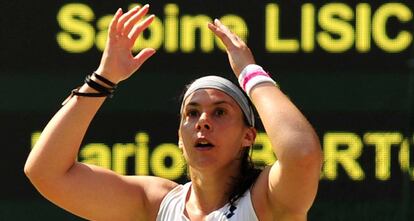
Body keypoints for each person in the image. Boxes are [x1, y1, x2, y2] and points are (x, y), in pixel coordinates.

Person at [24, 4, 323, 221]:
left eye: (220, 112)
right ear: (180, 139)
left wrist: (250, 74)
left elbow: (302, 154)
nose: (202, 122)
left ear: (248, 136)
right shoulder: (155, 205)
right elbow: (46, 172)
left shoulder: (267, 201)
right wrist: (104, 78)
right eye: (191, 113)